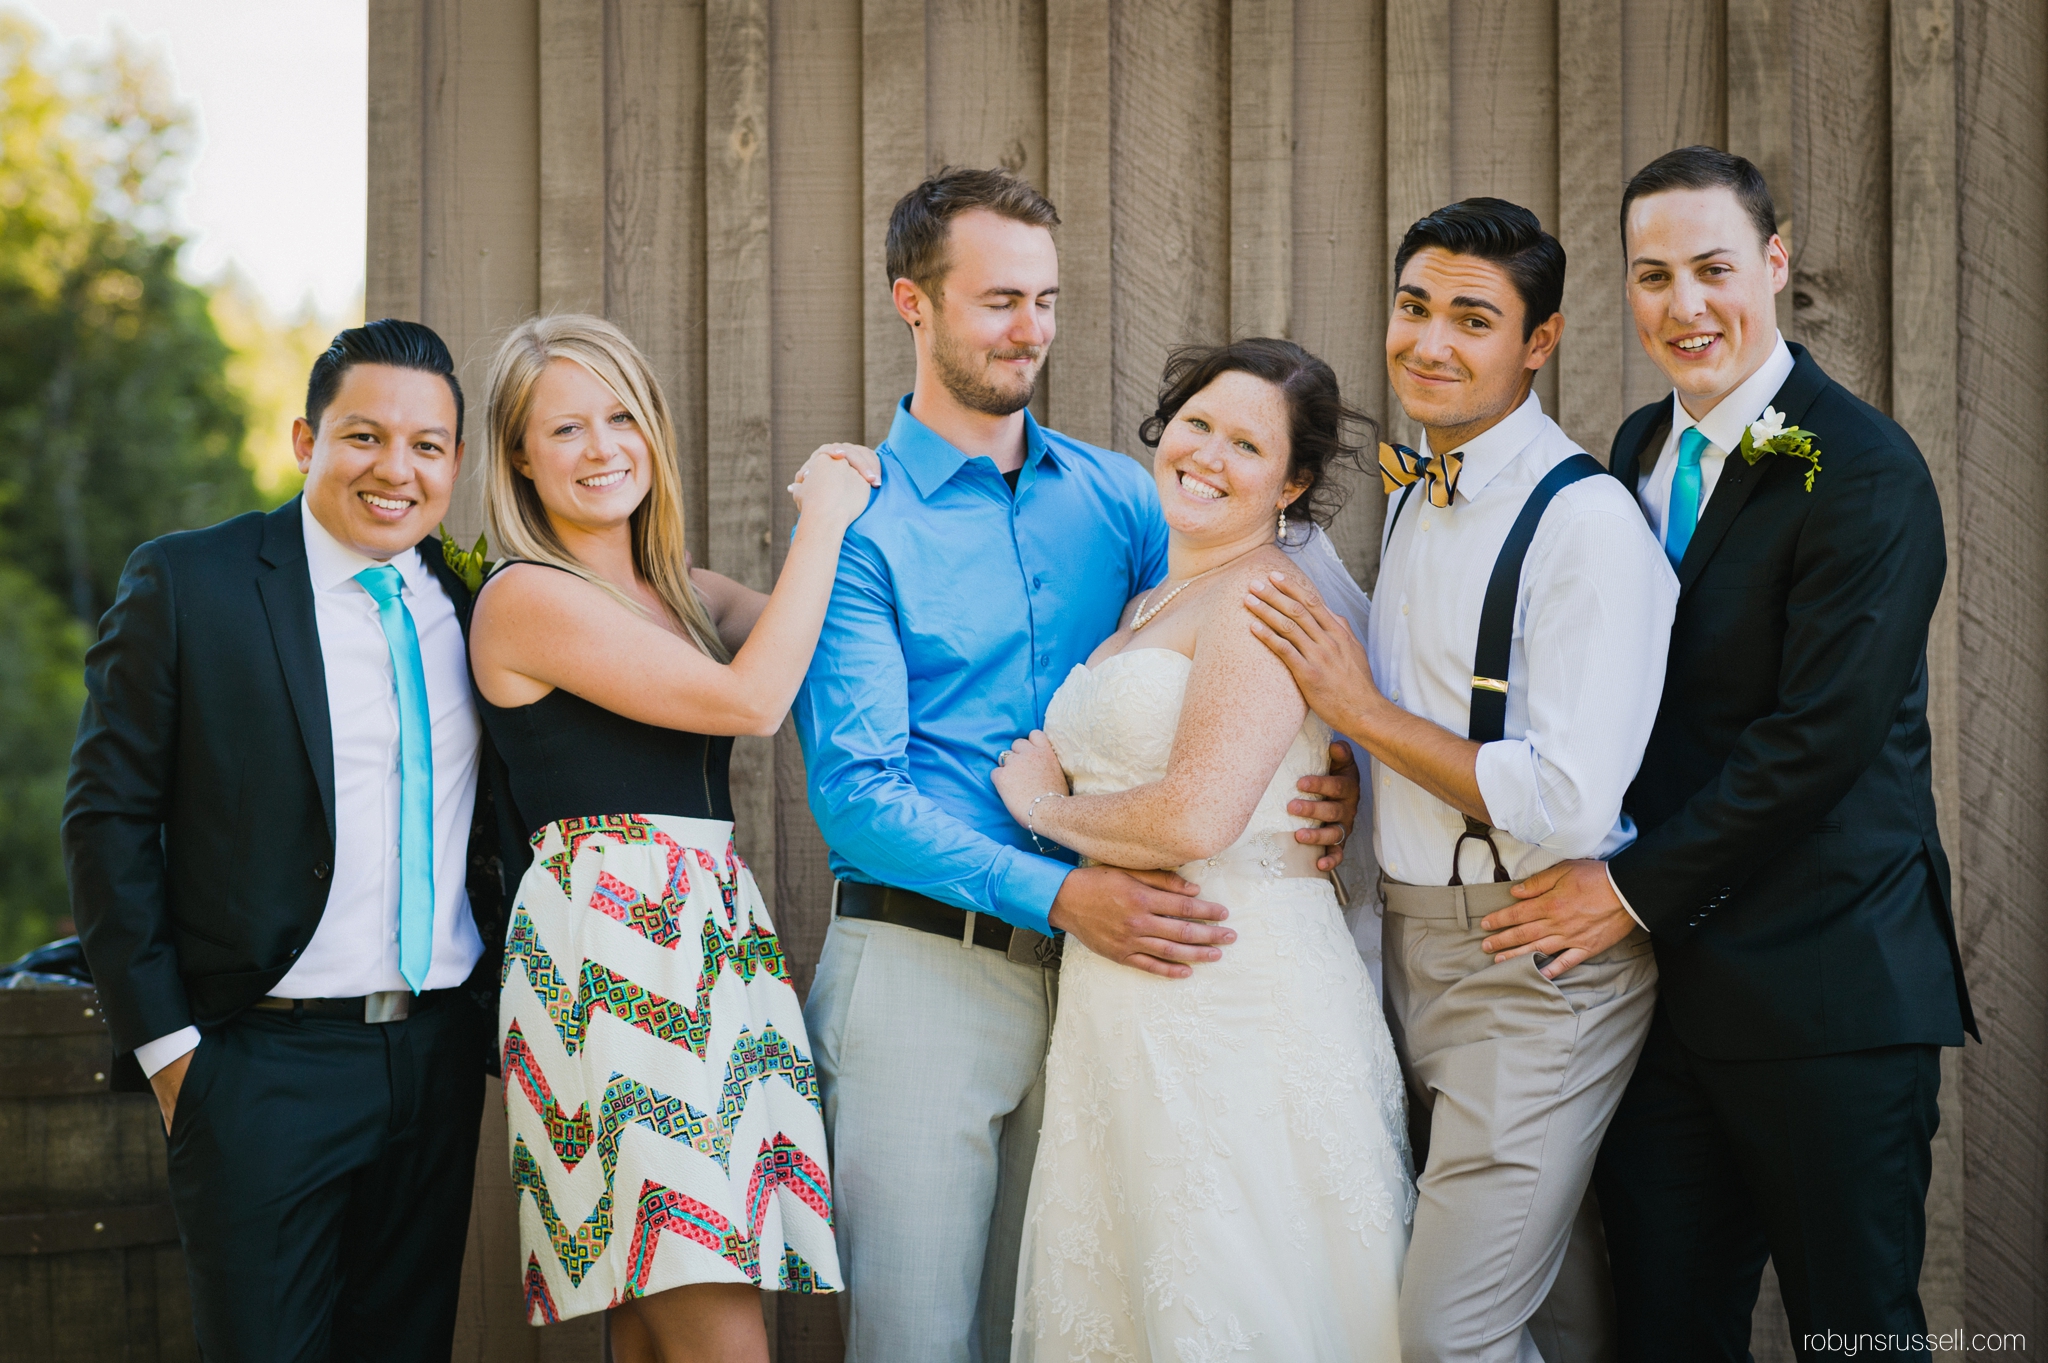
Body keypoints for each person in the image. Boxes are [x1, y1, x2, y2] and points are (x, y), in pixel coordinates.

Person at [794, 168, 1362, 1363]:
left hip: (1117, 989)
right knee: (915, 1342)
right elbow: (855, 791)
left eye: (1045, 300)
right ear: (914, 301)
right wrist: (1058, 886)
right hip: (924, 966)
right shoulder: (862, 520)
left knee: (1067, 1323)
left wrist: (1327, 763)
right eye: (999, 300)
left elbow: (1247, 625)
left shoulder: (1124, 496)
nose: (1030, 330)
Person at [1481, 147, 1974, 1363]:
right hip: (1662, 1005)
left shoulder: (1863, 472)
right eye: (1651, 276)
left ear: (1773, 260)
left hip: (1826, 993)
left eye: (1711, 268)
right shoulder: (1639, 445)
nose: (1682, 305)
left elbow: (1815, 740)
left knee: (1856, 1333)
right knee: (1665, 1329)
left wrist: (1622, 890)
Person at [1246, 198, 1678, 1362]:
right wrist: (1357, 772)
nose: (1427, 342)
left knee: (1445, 1332)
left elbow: (1572, 798)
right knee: (1550, 1306)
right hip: (1409, 949)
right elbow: (1433, 709)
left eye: (1470, 318)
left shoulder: (1582, 524)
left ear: (1535, 343)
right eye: (1411, 306)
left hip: (1528, 965)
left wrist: (1361, 714)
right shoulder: (1414, 491)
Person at [64, 319, 515, 1362]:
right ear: (306, 441)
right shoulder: (191, 584)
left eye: (428, 446)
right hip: (258, 1065)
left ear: (455, 461)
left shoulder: (473, 597)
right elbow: (105, 818)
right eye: (364, 436)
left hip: (436, 1059)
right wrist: (175, 1057)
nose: (394, 470)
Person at [992, 337, 1412, 1360]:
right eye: (1196, 424)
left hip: (1230, 983)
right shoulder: (1151, 600)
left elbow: (1194, 817)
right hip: (1126, 1003)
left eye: (1245, 444)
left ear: (1292, 482)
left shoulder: (1259, 595)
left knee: (1235, 1288)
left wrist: (1041, 810)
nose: (1207, 456)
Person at [468, 314, 874, 1362]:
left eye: (619, 418)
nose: (601, 448)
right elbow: (754, 696)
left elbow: (817, 625)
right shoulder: (527, 598)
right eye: (564, 429)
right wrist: (823, 519)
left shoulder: (679, 593)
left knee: (663, 1315)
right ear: (519, 454)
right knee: (703, 1300)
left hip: (703, 942)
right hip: (611, 952)